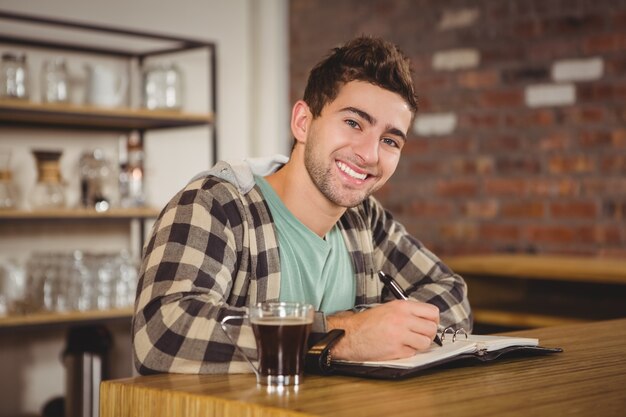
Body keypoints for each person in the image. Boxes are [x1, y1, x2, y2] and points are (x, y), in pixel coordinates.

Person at [132, 36, 472, 375]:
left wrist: (390, 327)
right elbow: (162, 333)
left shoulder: (365, 220)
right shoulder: (215, 205)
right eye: (353, 123)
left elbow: (452, 295)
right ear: (303, 123)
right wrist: (345, 336)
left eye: (389, 140)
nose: (369, 154)